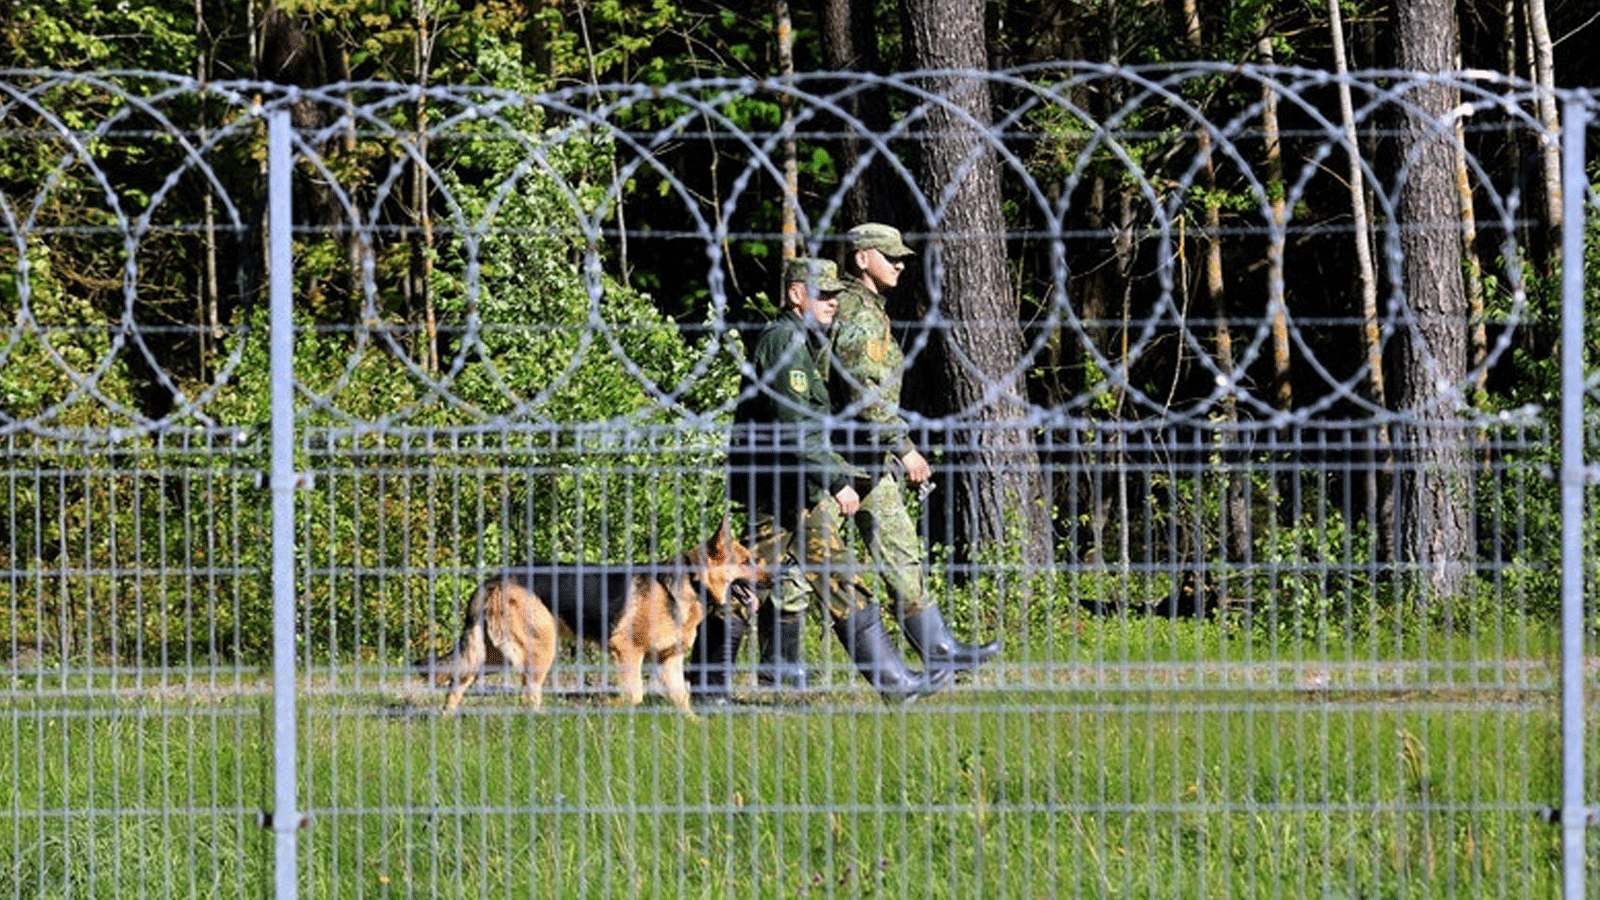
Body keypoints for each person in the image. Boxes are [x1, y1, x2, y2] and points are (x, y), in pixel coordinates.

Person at [689, 256, 953, 705]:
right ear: (797, 295)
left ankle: (895, 685)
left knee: (830, 579)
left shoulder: (803, 343)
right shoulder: (783, 343)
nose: (832, 302)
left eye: (834, 294)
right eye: (823, 294)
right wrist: (835, 479)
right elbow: (796, 424)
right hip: (777, 495)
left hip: (797, 495)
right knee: (746, 584)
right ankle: (707, 690)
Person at [812, 222, 1001, 677]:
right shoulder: (857, 313)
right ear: (862, 259)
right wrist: (904, 448)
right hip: (835, 462)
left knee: (899, 549)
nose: (899, 263)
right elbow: (865, 394)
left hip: (866, 460)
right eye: (889, 255)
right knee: (795, 564)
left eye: (900, 257)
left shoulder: (870, 309)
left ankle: (938, 648)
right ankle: (767, 668)